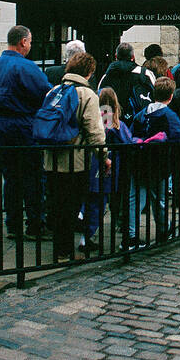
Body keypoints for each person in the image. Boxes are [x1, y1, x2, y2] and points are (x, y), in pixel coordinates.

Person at [0, 25, 51, 240]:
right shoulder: (26, 67)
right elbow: (46, 94)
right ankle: (35, 225)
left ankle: (12, 224)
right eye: (30, 41)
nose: (30, 45)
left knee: (10, 178)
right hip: (23, 126)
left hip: (0, 127)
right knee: (32, 178)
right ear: (23, 42)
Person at [41, 51, 106, 262]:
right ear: (89, 72)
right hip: (76, 162)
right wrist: (104, 156)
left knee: (57, 205)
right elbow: (95, 132)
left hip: (51, 160)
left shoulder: (54, 90)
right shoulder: (87, 95)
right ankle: (65, 252)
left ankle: (60, 249)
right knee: (71, 207)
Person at [128, 77, 180, 248]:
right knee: (159, 199)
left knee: (135, 199)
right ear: (171, 96)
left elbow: (132, 131)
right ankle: (164, 230)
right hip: (159, 162)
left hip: (140, 160)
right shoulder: (168, 114)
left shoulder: (142, 112)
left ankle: (131, 235)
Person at [83, 87, 132, 257]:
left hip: (93, 165)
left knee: (94, 201)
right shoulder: (113, 122)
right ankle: (89, 236)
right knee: (103, 202)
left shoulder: (96, 119)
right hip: (110, 167)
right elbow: (127, 141)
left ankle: (85, 231)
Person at [97, 42, 154, 117]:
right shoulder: (145, 73)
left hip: (114, 121)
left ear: (116, 56)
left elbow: (99, 98)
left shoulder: (107, 76)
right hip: (139, 121)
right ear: (133, 57)